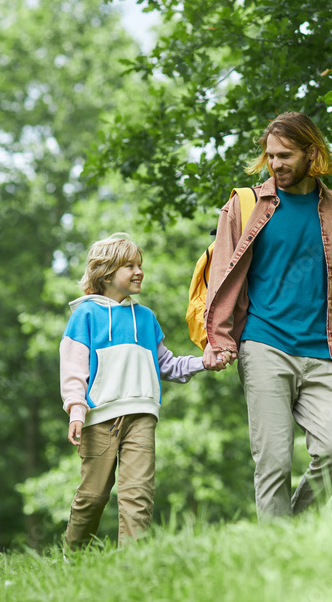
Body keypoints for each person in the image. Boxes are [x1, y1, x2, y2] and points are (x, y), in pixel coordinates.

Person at [202, 111, 332, 520]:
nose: (276, 164)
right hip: (264, 345)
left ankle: (292, 530)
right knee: (273, 463)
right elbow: (220, 277)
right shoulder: (245, 205)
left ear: (311, 153)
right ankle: (278, 555)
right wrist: (218, 339)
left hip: (324, 350)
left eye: (285, 155)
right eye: (270, 156)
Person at [60, 233, 219, 549]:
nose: (139, 272)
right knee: (92, 496)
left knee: (138, 494)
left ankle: (133, 564)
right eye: (129, 266)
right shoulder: (85, 315)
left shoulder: (146, 318)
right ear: (106, 274)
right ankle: (73, 555)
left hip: (142, 416)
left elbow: (168, 365)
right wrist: (76, 409)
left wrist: (205, 361)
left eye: (140, 265)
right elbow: (74, 372)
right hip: (98, 417)